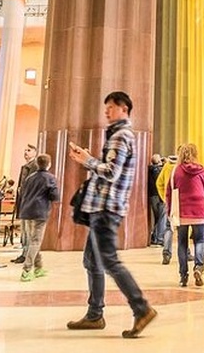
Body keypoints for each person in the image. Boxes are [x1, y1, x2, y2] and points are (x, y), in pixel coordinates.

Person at [66, 91, 157, 338]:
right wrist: (87, 159)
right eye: (106, 107)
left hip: (106, 208)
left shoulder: (120, 136)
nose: (106, 111)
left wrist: (88, 160)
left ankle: (141, 308)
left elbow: (111, 172)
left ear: (124, 109)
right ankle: (94, 314)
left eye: (111, 107)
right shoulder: (118, 135)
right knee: (91, 260)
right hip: (102, 207)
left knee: (108, 260)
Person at [165, 143, 204, 287]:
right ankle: (198, 267)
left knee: (182, 243)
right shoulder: (201, 170)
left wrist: (169, 211)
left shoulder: (175, 171)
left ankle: (183, 275)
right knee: (200, 240)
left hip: (182, 211)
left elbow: (169, 192)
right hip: (199, 210)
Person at [17, 154, 59, 282]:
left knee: (33, 240)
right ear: (49, 164)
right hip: (39, 212)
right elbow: (54, 196)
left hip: (26, 211)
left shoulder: (30, 177)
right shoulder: (50, 178)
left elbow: (22, 192)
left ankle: (38, 267)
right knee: (35, 241)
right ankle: (26, 270)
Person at [11, 144, 38, 264]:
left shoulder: (35, 166)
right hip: (23, 202)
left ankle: (27, 255)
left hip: (29, 203)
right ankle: (24, 253)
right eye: (25, 150)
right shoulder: (25, 166)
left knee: (28, 230)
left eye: (29, 150)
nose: (26, 152)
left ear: (35, 152)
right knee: (24, 230)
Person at [156, 153, 179, 265]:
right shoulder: (182, 167)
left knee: (169, 227)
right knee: (183, 228)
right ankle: (186, 252)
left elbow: (159, 183)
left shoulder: (166, 166)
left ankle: (166, 252)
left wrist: (164, 197)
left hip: (169, 200)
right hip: (181, 201)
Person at [148, 154, 166, 246]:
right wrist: (165, 164)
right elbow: (161, 182)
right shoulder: (159, 170)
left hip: (152, 196)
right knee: (162, 217)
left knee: (158, 217)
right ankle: (160, 238)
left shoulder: (150, 170)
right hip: (159, 196)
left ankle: (154, 237)